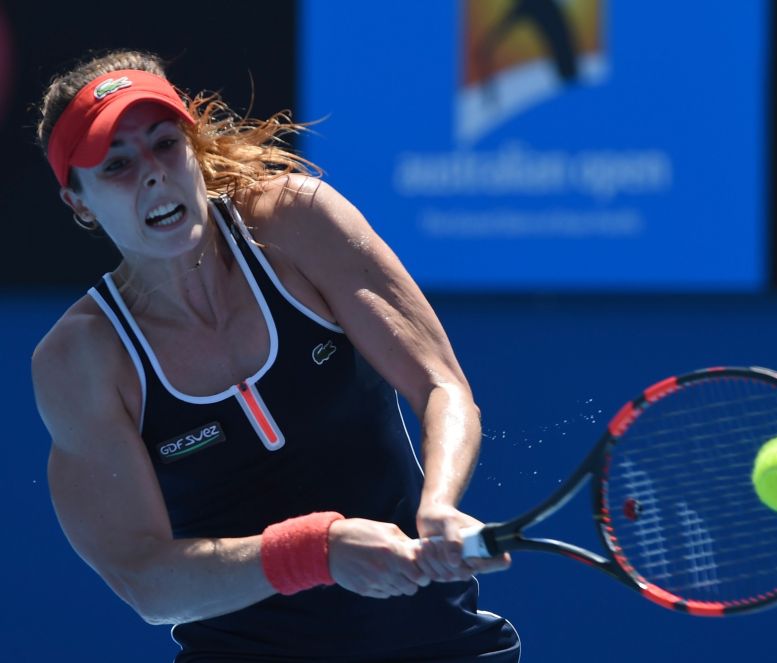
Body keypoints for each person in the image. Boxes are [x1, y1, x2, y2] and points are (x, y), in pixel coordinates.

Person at [31, 50, 520, 662]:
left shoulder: (295, 223)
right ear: (78, 202)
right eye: (118, 165)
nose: (153, 174)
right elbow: (148, 583)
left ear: (192, 146)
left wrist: (439, 506)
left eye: (165, 143)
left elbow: (440, 386)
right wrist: (315, 551)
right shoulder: (81, 360)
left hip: (439, 643)